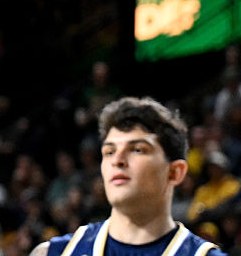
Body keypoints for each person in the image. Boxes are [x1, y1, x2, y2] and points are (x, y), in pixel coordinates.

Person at [29, 96, 226, 256]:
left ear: (175, 172)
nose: (118, 160)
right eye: (109, 151)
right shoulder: (53, 253)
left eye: (137, 149)